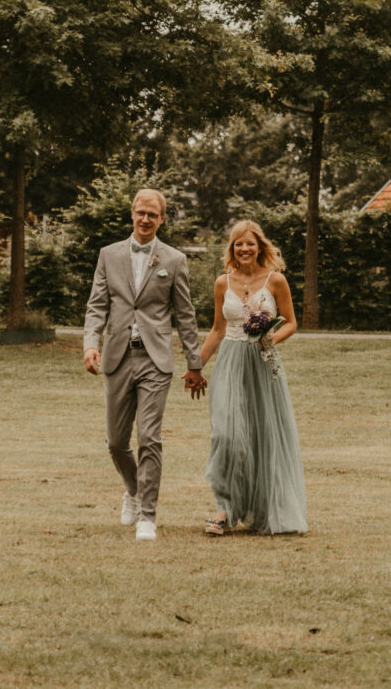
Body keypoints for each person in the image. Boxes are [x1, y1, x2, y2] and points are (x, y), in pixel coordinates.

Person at [82, 188, 204, 541]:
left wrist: (194, 363)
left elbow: (185, 315)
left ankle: (147, 517)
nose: (146, 219)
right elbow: (97, 305)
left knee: (149, 437)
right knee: (116, 442)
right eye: (141, 213)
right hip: (117, 358)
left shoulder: (174, 259)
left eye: (153, 214)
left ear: (162, 218)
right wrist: (92, 344)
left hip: (155, 359)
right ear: (132, 214)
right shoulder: (109, 255)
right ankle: (133, 489)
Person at [194, 220, 306, 536]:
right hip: (229, 361)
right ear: (232, 249)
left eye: (249, 244)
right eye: (238, 244)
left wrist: (270, 339)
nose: (244, 249)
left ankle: (268, 510)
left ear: (260, 247)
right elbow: (217, 329)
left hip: (263, 363)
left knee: (264, 434)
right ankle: (223, 509)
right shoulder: (222, 283)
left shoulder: (276, 281)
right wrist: (195, 366)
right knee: (227, 435)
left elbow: (291, 323)